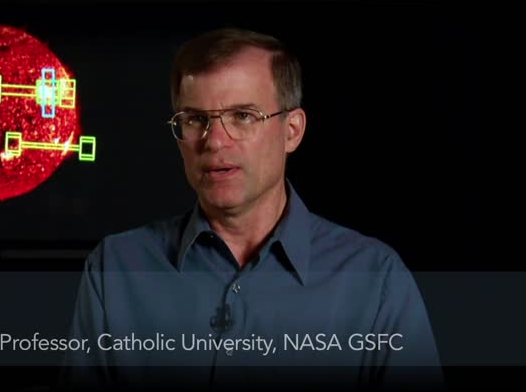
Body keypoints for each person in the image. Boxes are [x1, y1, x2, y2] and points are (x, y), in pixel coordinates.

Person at [59, 28, 443, 390]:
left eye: (243, 117)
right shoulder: (115, 269)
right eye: (195, 119)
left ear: (292, 131)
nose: (214, 141)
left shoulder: (376, 279)